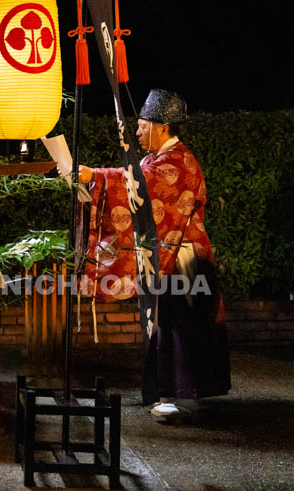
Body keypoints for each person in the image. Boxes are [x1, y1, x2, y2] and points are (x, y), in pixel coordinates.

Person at [78, 89, 230, 423]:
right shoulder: (159, 158)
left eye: (143, 125)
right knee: (167, 324)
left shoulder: (178, 162)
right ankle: (169, 393)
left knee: (181, 325)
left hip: (185, 257)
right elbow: (138, 181)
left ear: (162, 127)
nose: (137, 131)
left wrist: (97, 176)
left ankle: (184, 398)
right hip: (170, 254)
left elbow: (143, 184)